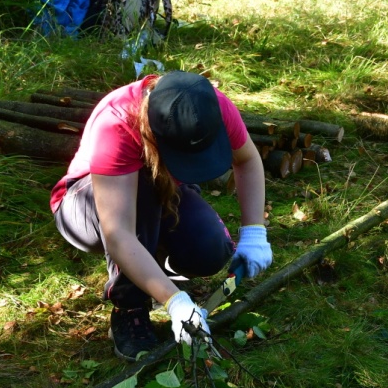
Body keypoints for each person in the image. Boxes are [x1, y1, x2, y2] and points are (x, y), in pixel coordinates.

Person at [50, 71, 273, 360]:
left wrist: (254, 232)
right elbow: (118, 233)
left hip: (160, 194)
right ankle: (129, 306)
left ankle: (155, 270)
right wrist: (175, 301)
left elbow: (247, 159)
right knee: (144, 190)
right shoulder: (117, 121)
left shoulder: (209, 106)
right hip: (86, 207)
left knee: (210, 251)